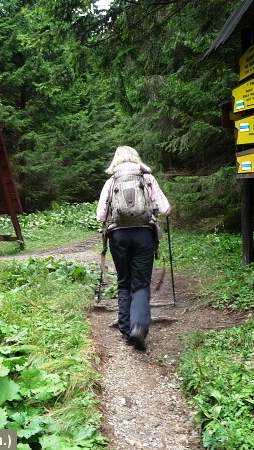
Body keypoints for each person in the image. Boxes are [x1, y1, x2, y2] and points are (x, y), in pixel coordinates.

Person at [96, 146, 171, 351]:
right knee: (140, 283)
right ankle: (139, 326)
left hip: (118, 236)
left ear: (116, 161)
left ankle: (126, 329)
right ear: (136, 159)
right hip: (144, 235)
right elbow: (165, 209)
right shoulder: (147, 179)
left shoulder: (111, 182)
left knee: (123, 282)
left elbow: (101, 216)